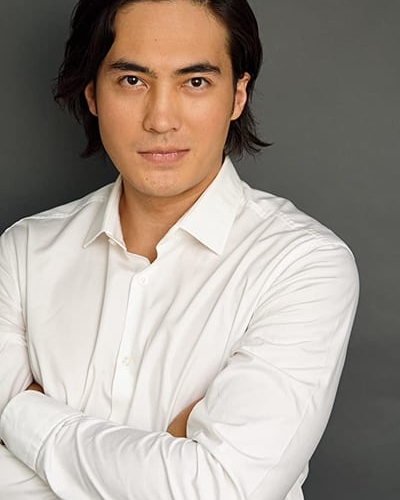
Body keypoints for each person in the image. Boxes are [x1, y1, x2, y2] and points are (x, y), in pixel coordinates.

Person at [0, 0, 359, 499]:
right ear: (93, 93)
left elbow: (222, 490)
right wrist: (167, 462)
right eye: (132, 80)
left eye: (195, 82)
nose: (161, 119)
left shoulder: (303, 265)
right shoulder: (22, 252)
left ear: (237, 96)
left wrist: (21, 415)